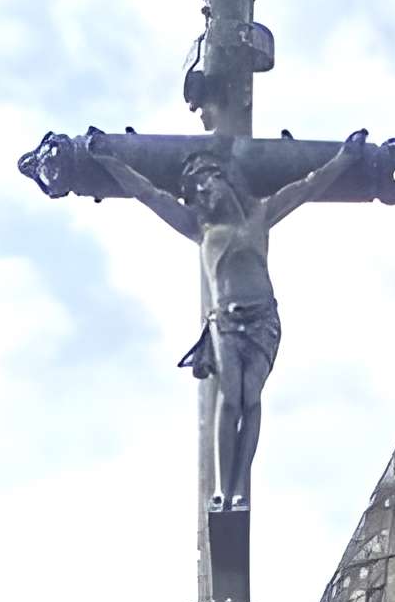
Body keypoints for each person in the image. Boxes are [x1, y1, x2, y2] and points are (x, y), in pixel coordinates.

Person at [89, 131, 372, 510]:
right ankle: (224, 489)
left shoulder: (261, 214)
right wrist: (109, 161)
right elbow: (148, 194)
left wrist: (346, 157)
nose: (205, 194)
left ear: (225, 180)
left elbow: (308, 186)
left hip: (263, 321)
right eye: (197, 191)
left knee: (252, 399)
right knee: (230, 400)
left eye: (208, 184)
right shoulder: (200, 227)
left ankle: (240, 487)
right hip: (225, 322)